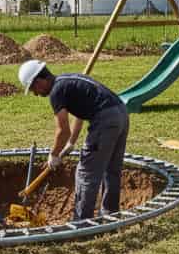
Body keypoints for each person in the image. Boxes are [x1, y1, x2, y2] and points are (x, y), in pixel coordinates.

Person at [18, 59, 129, 220]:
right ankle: (110, 217)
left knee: (85, 173)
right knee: (111, 170)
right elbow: (80, 113)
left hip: (105, 120)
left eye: (33, 88)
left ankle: (81, 223)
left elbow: (62, 130)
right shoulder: (67, 81)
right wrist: (71, 142)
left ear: (39, 80)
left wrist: (54, 154)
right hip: (121, 113)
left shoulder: (56, 92)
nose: (35, 93)